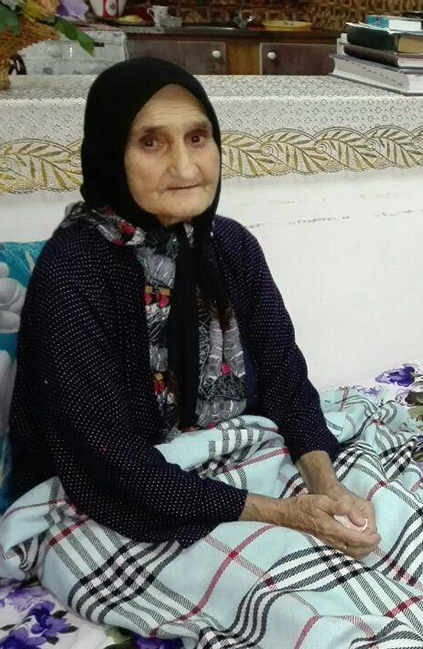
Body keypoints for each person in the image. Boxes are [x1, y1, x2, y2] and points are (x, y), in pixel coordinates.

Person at [9, 58, 379, 558]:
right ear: (109, 154)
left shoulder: (230, 245)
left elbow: (284, 378)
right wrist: (283, 514)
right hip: (109, 498)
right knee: (302, 591)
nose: (185, 167)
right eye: (150, 142)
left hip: (231, 462)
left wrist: (327, 486)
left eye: (198, 138)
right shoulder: (74, 272)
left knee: (387, 530)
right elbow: (108, 458)